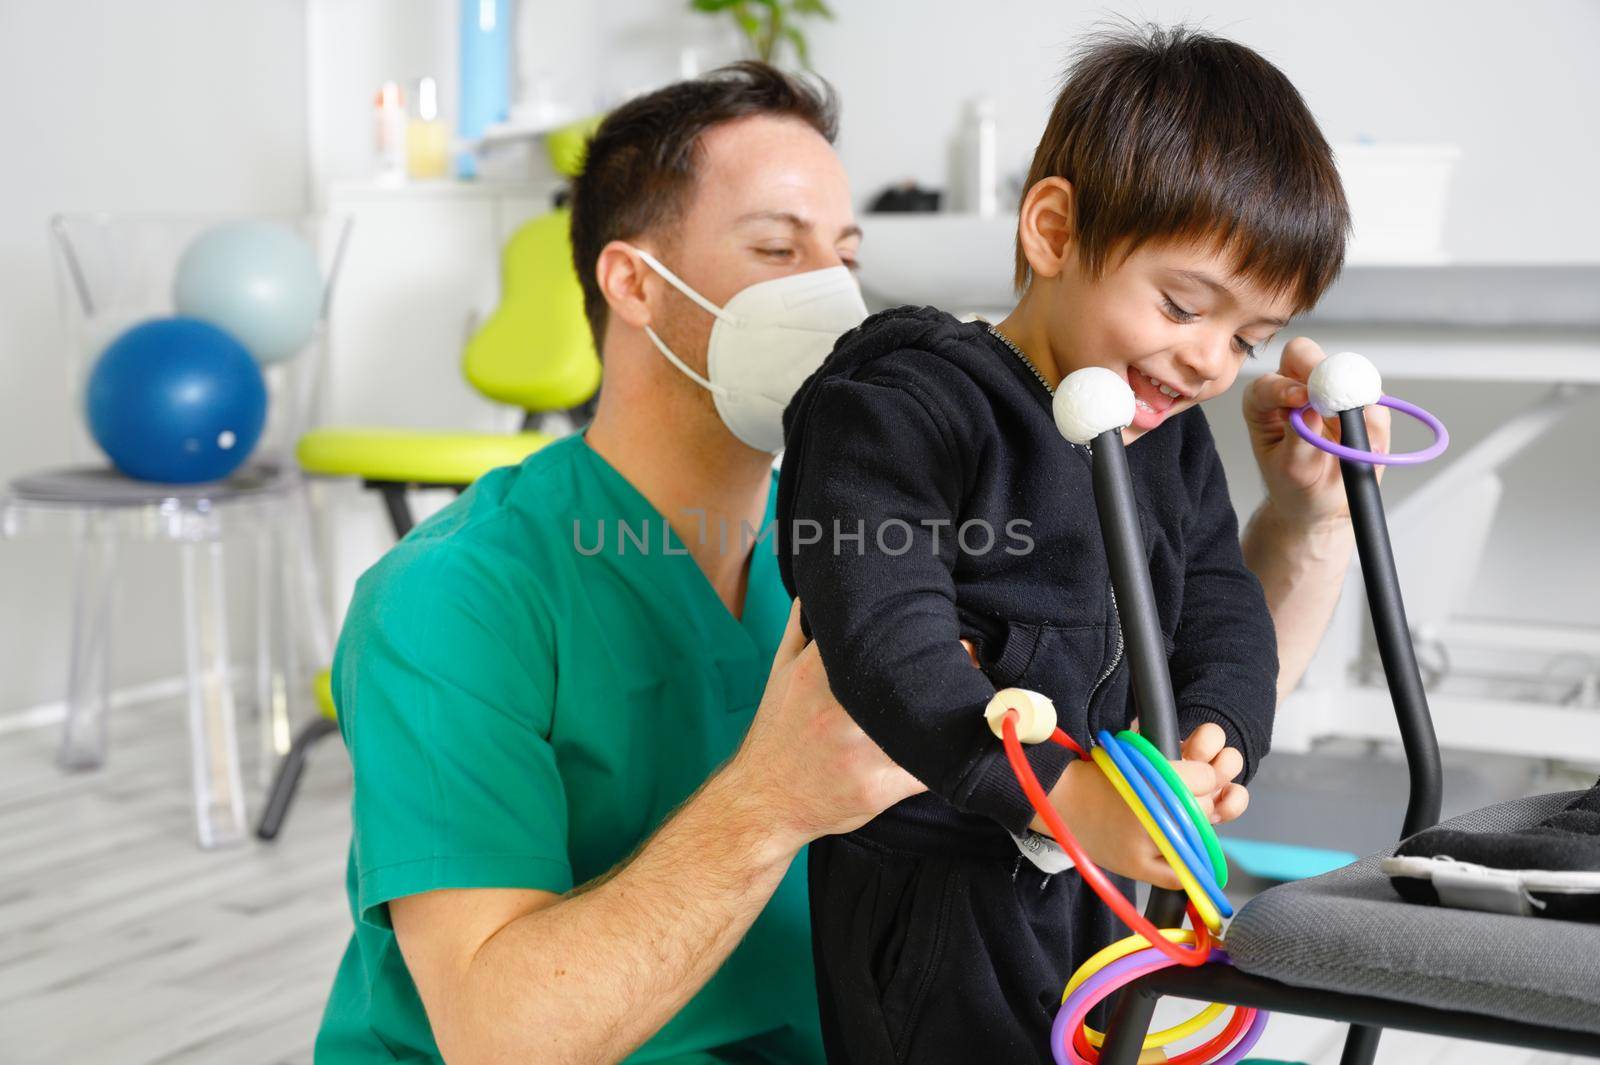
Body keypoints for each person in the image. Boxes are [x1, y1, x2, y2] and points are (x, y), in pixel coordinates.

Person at [312, 60, 1389, 1065]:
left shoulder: (898, 522)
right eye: (778, 251)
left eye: (847, 254)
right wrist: (771, 799)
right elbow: (504, 1040)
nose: (830, 293)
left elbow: (1154, 688)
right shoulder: (458, 596)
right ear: (633, 287)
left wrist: (1311, 523)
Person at [777, 27, 1351, 1062]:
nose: (1211, 361)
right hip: (935, 893)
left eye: (1248, 339)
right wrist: (1062, 795)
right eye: (1183, 305)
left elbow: (1218, 599)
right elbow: (882, 634)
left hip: (1097, 879)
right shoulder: (900, 406)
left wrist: (1220, 733)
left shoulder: (1163, 440)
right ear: (1051, 231)